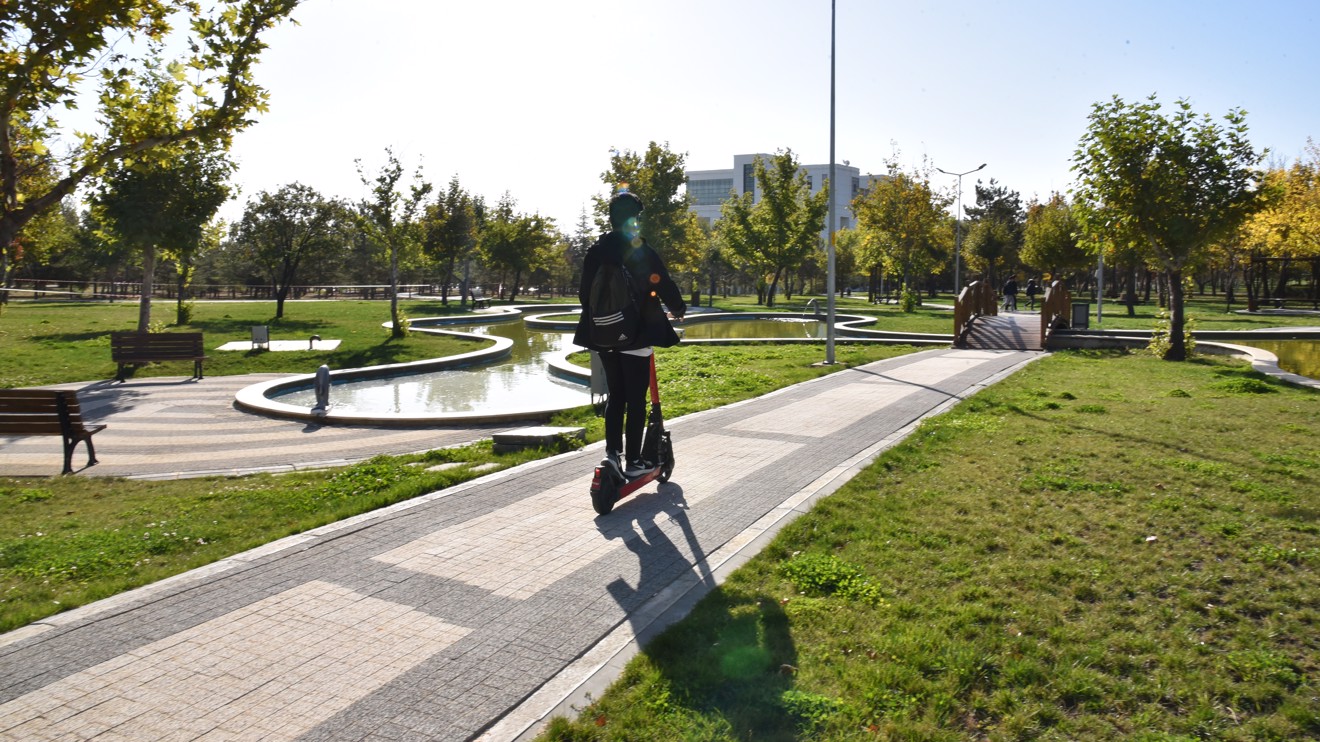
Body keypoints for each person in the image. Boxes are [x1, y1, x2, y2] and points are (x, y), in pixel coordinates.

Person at [573, 192, 686, 479]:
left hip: (602, 336)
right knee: (635, 400)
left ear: (610, 217)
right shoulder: (640, 249)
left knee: (616, 396)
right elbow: (663, 282)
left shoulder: (596, 250)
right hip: (636, 334)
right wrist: (678, 308)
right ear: (635, 218)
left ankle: (612, 454)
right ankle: (634, 461)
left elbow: (584, 295)